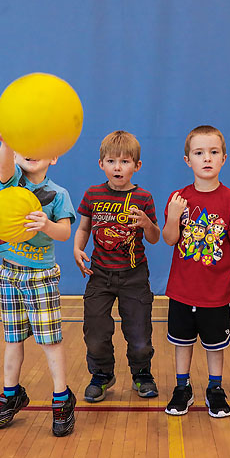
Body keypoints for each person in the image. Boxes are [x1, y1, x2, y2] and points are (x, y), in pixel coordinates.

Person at [0, 134, 77, 436]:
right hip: (9, 274)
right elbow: (3, 165)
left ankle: (62, 398)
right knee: (13, 338)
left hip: (41, 277)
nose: (31, 152)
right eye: (24, 148)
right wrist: (6, 142)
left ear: (54, 157)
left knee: (50, 341)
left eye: (39, 148)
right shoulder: (12, 184)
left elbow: (65, 233)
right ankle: (11, 394)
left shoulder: (58, 194)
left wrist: (47, 225)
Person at [162, 125, 230, 418]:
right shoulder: (178, 198)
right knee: (182, 343)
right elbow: (169, 239)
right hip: (182, 290)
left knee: (215, 346)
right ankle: (182, 387)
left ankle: (215, 388)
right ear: (187, 160)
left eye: (213, 152)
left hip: (216, 293)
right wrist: (173, 217)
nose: (207, 158)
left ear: (223, 158)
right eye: (199, 152)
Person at [73, 131, 161, 402]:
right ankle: (101, 374)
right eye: (111, 161)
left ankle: (142, 373)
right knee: (95, 331)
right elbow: (84, 228)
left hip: (134, 276)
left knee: (139, 333)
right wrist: (77, 249)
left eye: (125, 161)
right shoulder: (93, 194)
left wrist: (146, 223)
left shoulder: (143, 198)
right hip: (100, 275)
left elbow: (155, 237)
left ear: (137, 165)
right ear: (101, 164)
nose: (117, 167)